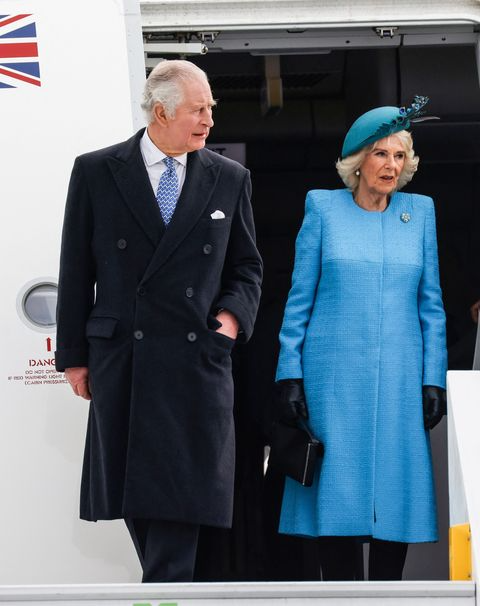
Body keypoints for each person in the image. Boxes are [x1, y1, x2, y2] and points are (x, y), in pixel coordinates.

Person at [55, 59, 262, 583]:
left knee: (181, 501)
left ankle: (164, 591)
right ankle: (166, 590)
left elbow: (247, 268)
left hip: (197, 361)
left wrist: (229, 321)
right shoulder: (97, 171)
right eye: (198, 109)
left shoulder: (229, 178)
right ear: (163, 112)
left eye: (211, 108)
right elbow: (75, 269)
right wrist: (74, 358)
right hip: (125, 357)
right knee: (140, 500)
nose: (209, 120)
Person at [274, 96, 447, 581]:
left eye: (399, 155)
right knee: (338, 495)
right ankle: (343, 594)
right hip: (333, 381)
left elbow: (431, 306)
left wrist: (433, 378)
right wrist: (289, 373)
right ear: (357, 161)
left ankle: (389, 595)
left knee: (396, 493)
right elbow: (299, 300)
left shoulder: (420, 212)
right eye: (380, 154)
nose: (391, 165)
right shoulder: (323, 208)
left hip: (400, 381)